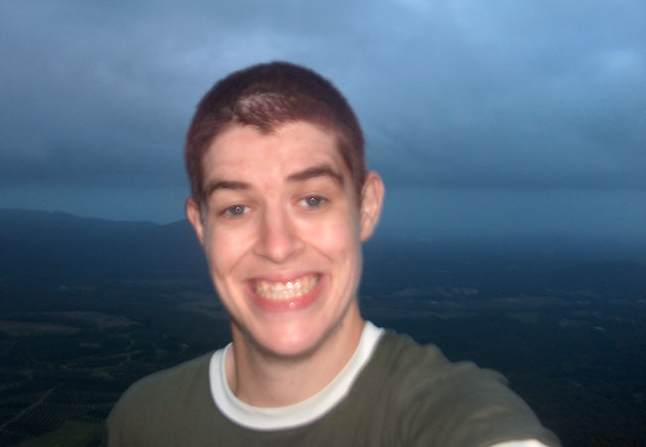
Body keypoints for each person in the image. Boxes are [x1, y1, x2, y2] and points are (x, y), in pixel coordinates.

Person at [105, 62, 560, 446]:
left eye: (312, 199)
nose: (277, 246)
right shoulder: (143, 420)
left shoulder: (444, 409)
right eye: (237, 208)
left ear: (366, 208)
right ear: (201, 226)